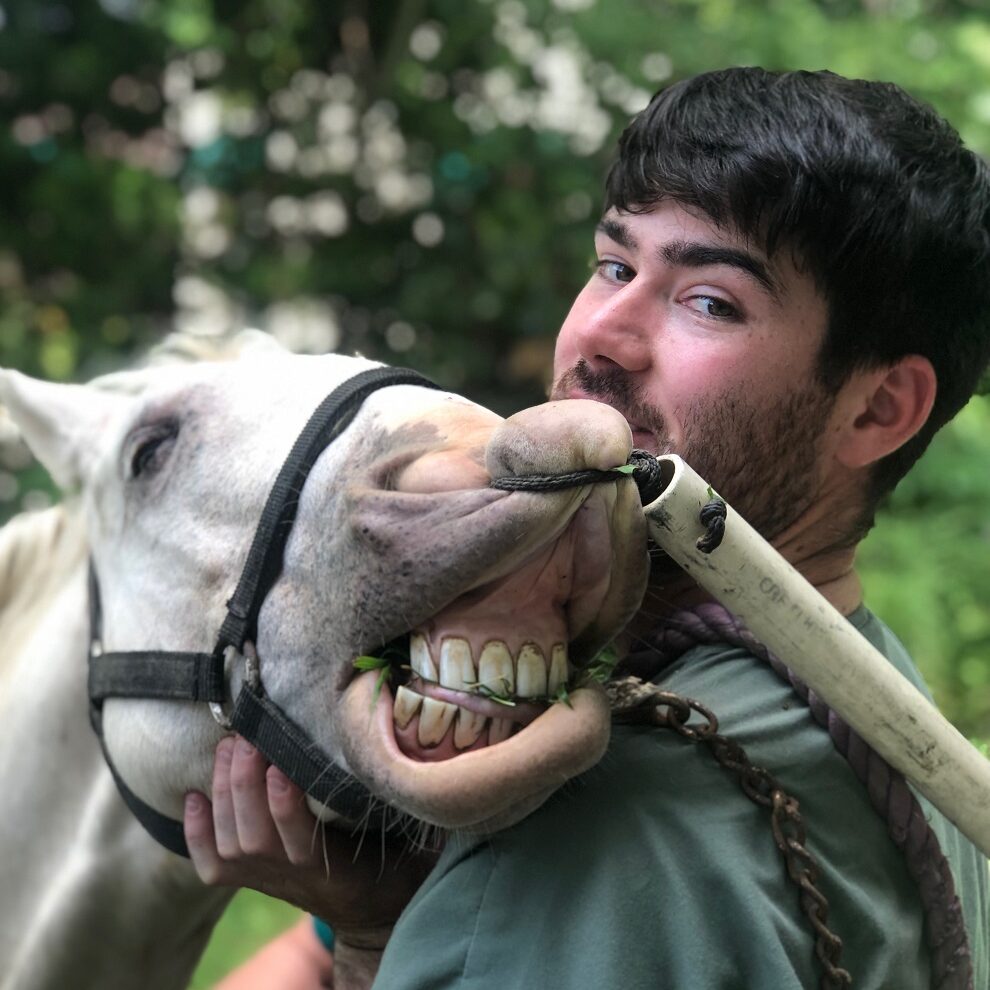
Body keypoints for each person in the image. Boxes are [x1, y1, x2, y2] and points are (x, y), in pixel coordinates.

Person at [182, 67, 990, 988]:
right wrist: (379, 916)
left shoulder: (605, 835)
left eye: (710, 301)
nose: (600, 333)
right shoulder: (882, 700)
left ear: (878, 410)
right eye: (615, 265)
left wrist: (379, 944)